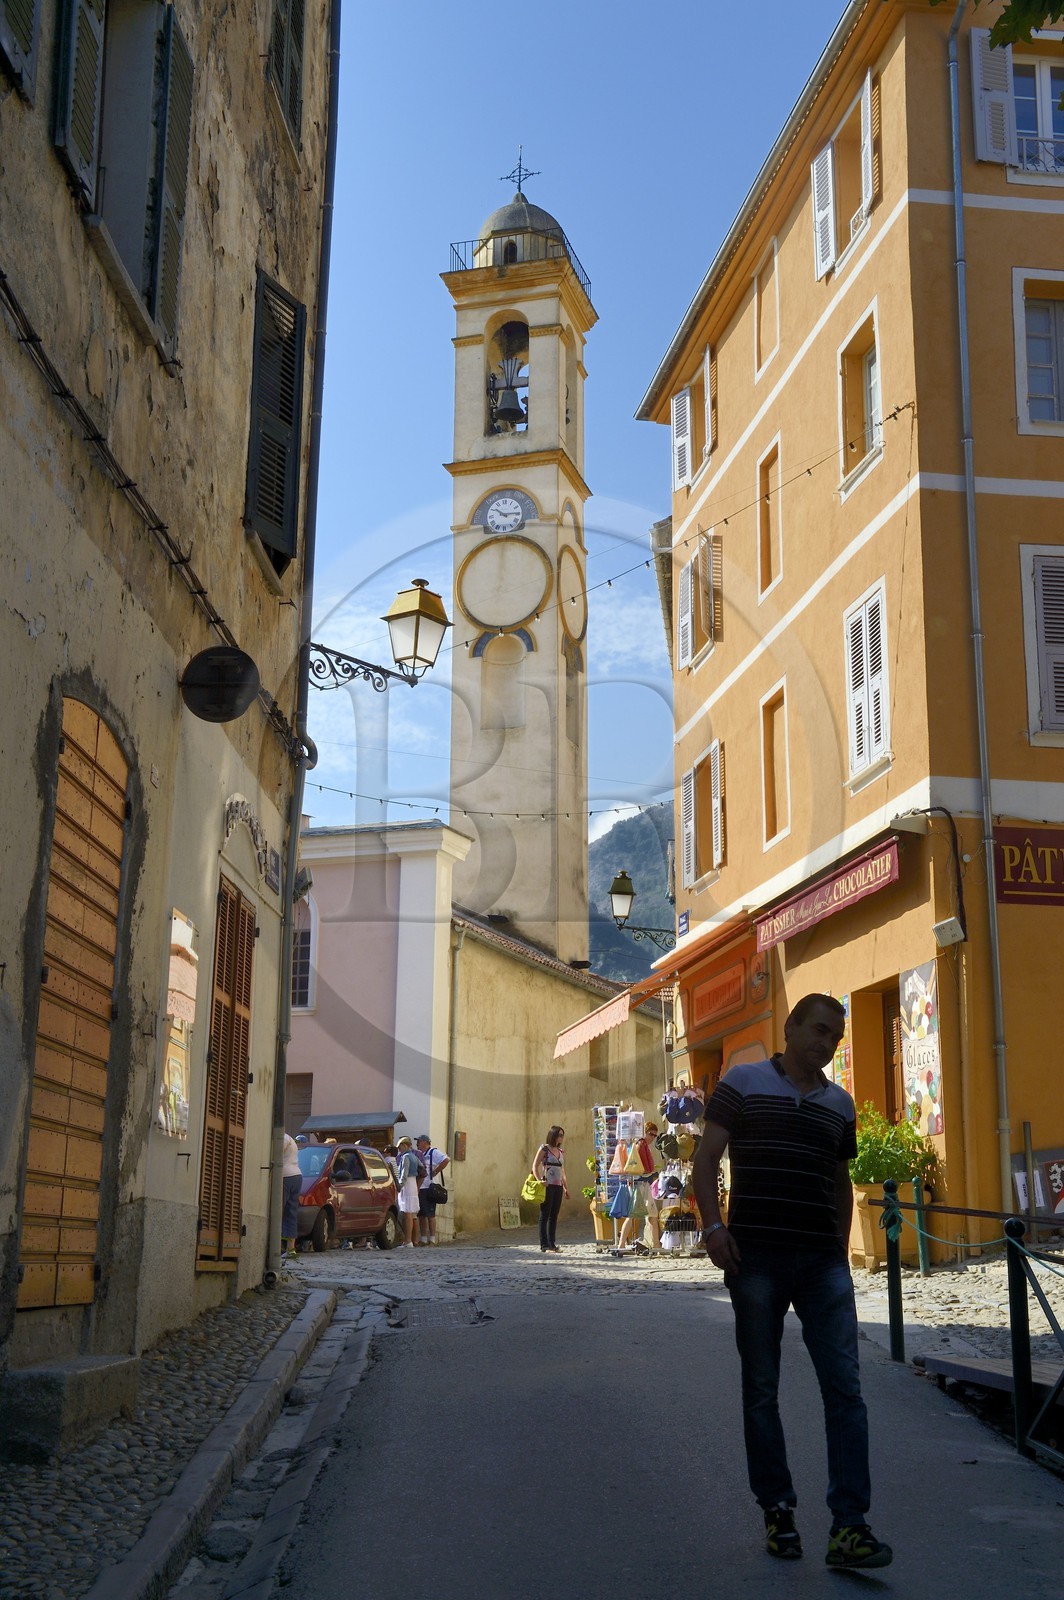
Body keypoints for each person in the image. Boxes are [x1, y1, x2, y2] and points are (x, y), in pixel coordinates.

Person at [692, 994, 892, 1571]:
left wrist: (838, 1246)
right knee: (761, 1391)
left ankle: (849, 1527)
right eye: (819, 1030)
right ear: (791, 1027)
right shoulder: (744, 1081)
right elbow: (707, 1159)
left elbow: (838, 1180)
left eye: (835, 1036)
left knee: (846, 1392)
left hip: (821, 1264)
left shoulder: (841, 1105)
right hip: (755, 1260)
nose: (826, 1043)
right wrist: (712, 1227)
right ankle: (778, 1511)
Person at [532, 1125, 569, 1253]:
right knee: (544, 1215)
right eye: (560, 1135)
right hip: (547, 1185)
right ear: (553, 1135)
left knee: (554, 1215)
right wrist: (540, 1180)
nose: (562, 1137)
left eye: (562, 1135)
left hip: (558, 1186)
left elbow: (562, 1171)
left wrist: (566, 1188)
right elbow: (535, 1166)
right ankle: (544, 1245)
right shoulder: (544, 1148)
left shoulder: (561, 1152)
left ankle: (552, 1244)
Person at [416, 1134, 449, 1246]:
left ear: (425, 1142)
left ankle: (433, 1239)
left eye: (419, 1141)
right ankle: (424, 1239)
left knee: (430, 1214)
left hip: (430, 1187)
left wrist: (436, 1171)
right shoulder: (420, 1154)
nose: (417, 1143)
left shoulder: (433, 1152)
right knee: (421, 1215)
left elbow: (446, 1160)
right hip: (421, 1187)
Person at [395, 1137, 422, 1248]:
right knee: (412, 1214)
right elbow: (422, 1169)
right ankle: (413, 1240)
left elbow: (403, 1175)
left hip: (407, 1185)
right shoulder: (415, 1157)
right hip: (413, 1183)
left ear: (405, 1145)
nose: (399, 1149)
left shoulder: (406, 1157)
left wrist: (399, 1186)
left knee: (407, 1214)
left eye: (400, 1146)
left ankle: (408, 1241)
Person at [281, 1131, 302, 1261]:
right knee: (291, 1212)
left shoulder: (281, 1138)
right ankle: (291, 1248)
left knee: (278, 1211)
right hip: (297, 1175)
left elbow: (276, 1156)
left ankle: (276, 1247)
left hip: (285, 1175)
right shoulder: (290, 1138)